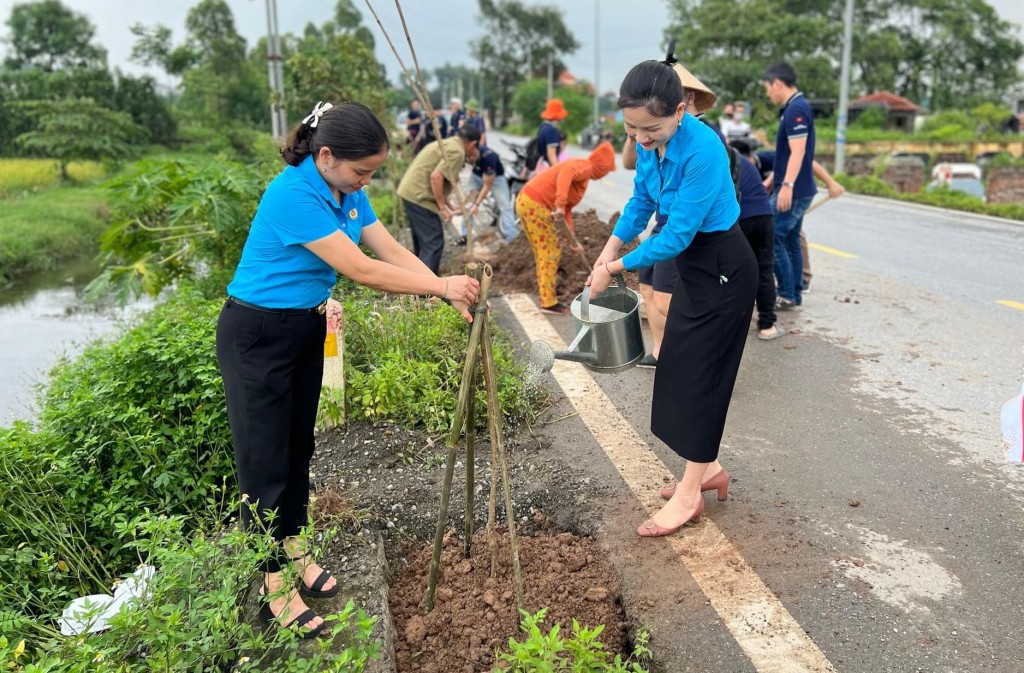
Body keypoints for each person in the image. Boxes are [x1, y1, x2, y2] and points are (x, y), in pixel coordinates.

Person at [216, 101, 480, 639]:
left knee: (298, 450)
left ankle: (295, 548)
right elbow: (361, 269)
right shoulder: (293, 193)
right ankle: (273, 585)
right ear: (327, 155)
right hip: (257, 335)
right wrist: (439, 286)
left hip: (305, 327)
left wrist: (442, 286)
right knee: (264, 465)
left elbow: (387, 248)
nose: (366, 182)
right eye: (361, 171)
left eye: (373, 173)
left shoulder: (347, 191)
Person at [588, 48, 757, 537]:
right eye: (631, 130)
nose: (641, 139)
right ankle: (709, 469)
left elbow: (676, 235)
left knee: (706, 377)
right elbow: (641, 203)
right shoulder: (648, 145)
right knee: (679, 365)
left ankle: (689, 495)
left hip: (724, 268)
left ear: (680, 110)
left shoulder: (704, 150)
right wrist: (608, 250)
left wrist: (614, 268)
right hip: (696, 270)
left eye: (651, 130)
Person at [516, 141, 616, 314]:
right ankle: (548, 302)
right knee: (550, 252)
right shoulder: (584, 165)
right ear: (602, 165)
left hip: (528, 201)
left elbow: (567, 211)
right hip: (535, 204)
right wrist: (560, 204)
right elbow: (566, 173)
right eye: (607, 169)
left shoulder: (584, 176)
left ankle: (547, 293)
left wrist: (572, 240)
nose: (605, 173)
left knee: (544, 253)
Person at [754, 149, 844, 293]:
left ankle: (802, 278)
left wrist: (830, 183)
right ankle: (788, 283)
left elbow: (808, 162)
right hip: (766, 202)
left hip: (787, 198)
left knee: (790, 237)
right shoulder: (736, 168)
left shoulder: (767, 158)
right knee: (779, 238)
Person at [763, 61, 815, 309]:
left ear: (777, 84)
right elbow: (786, 154)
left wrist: (787, 185)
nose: (768, 94)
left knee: (773, 237)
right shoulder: (795, 107)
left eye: (768, 88)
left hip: (795, 190)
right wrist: (774, 179)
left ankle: (785, 294)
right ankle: (793, 293)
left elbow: (798, 151)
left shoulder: (796, 110)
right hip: (799, 187)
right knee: (791, 240)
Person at [397, 125, 481, 273]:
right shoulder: (457, 152)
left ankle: (417, 283)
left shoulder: (448, 143)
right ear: (473, 144)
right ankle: (425, 291)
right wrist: (442, 208)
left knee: (423, 243)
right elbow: (436, 177)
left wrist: (449, 205)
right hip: (420, 197)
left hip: (410, 192)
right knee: (433, 243)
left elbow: (438, 178)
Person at [730, 141, 783, 340]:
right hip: (764, 216)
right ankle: (767, 326)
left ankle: (734, 324)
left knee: (733, 272)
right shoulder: (742, 160)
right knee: (764, 270)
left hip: (739, 219)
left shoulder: (713, 158)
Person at [457, 144, 519, 245]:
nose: (470, 159)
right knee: (468, 203)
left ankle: (511, 236)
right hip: (476, 176)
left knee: (505, 206)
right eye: (468, 157)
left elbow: (487, 186)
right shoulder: (466, 154)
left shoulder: (489, 157)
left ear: (477, 149)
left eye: (472, 156)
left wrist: (476, 205)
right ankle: (465, 236)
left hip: (496, 178)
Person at [536, 98, 569, 170]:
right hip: (548, 169)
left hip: (542, 166)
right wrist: (558, 171)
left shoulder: (543, 126)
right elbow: (551, 155)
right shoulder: (551, 131)